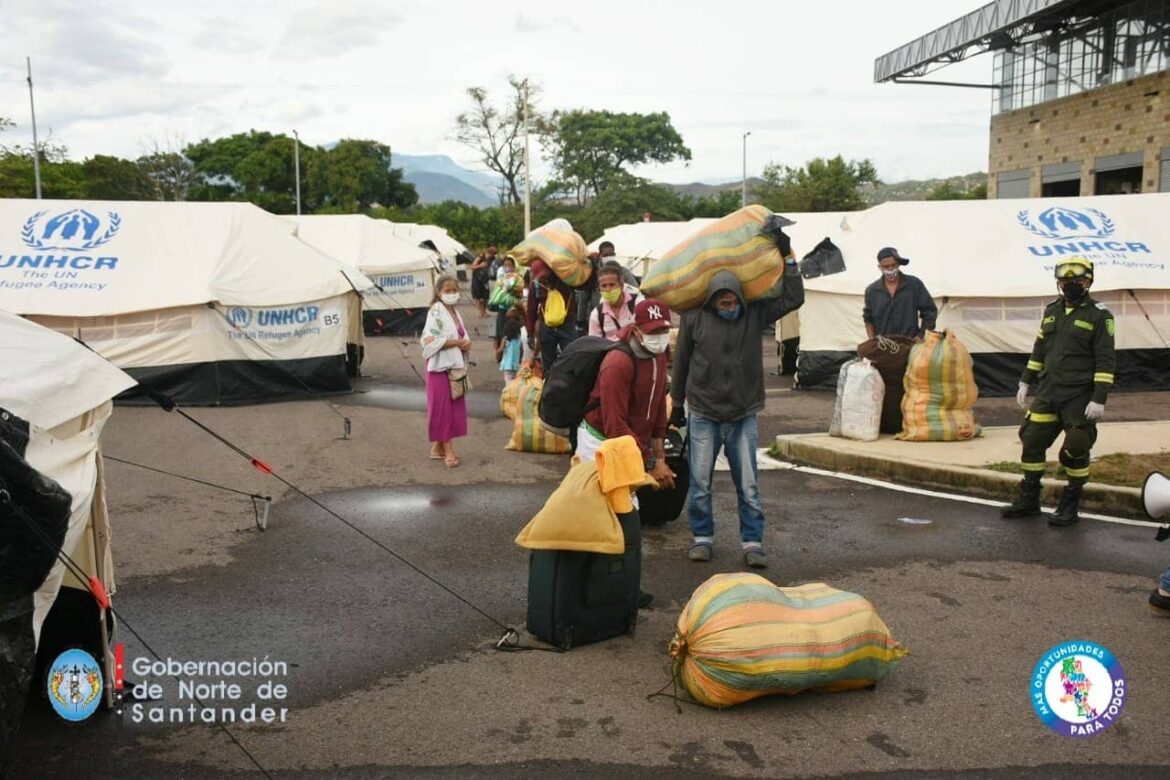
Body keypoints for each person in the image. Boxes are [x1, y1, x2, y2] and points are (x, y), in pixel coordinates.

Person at [670, 243, 805, 569]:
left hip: (743, 412)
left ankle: (753, 542)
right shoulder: (693, 319)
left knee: (748, 484)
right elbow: (682, 361)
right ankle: (702, 538)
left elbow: (793, 298)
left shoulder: (754, 314)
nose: (730, 307)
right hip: (703, 411)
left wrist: (788, 258)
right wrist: (676, 404)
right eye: (723, 303)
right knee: (700, 483)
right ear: (713, 301)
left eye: (733, 301)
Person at [577, 298, 676, 610]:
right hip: (601, 443)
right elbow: (614, 424)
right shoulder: (617, 363)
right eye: (653, 330)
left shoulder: (659, 355)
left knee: (624, 518)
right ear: (636, 329)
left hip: (632, 444)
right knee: (610, 517)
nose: (659, 335)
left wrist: (659, 453)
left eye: (664, 329)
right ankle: (597, 588)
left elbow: (659, 403)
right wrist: (650, 462)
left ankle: (623, 587)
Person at [1001, 257, 1115, 527]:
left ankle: (1071, 502)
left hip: (1079, 396)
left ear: (1088, 283)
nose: (1070, 286)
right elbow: (1040, 348)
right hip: (1048, 391)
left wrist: (1099, 398)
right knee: (1031, 439)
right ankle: (1029, 499)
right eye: (1066, 282)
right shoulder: (1051, 311)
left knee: (1076, 447)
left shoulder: (1100, 315)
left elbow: (1106, 360)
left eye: (1077, 281)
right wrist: (1026, 380)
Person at [420, 274, 471, 467]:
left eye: (454, 290)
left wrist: (465, 343)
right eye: (447, 291)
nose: (451, 294)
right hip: (438, 366)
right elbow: (429, 340)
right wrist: (456, 343)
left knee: (454, 406)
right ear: (438, 292)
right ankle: (449, 451)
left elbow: (463, 335)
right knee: (442, 408)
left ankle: (437, 448)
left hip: (454, 366)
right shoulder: (436, 312)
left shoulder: (455, 313)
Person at [863, 247, 937, 339]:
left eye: (893, 265)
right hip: (884, 345)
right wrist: (872, 339)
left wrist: (921, 335)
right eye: (886, 266)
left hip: (910, 342)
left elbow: (929, 311)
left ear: (898, 265)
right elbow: (868, 318)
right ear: (880, 267)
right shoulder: (872, 290)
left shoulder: (914, 284)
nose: (890, 269)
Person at [525, 259, 583, 373]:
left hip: (567, 325)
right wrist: (530, 333)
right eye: (541, 276)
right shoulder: (536, 285)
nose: (544, 278)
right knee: (548, 363)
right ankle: (549, 384)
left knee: (570, 358)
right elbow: (531, 310)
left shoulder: (566, 281)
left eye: (546, 275)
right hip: (546, 327)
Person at [587, 262, 643, 341]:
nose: (608, 289)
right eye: (604, 286)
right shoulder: (596, 315)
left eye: (612, 284)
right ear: (599, 288)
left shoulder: (638, 303)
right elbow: (594, 344)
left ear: (621, 285)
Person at [496, 304, 524, 384]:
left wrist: (498, 352)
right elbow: (521, 350)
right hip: (516, 364)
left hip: (508, 364)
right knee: (516, 382)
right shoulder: (519, 338)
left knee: (509, 382)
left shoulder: (506, 340)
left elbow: (500, 350)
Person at [469, 245, 498, 318]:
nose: (491, 256)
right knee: (478, 296)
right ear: (488, 252)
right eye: (490, 254)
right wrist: (480, 266)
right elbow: (472, 267)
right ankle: (481, 312)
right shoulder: (480, 257)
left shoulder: (493, 259)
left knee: (485, 296)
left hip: (485, 280)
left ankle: (484, 311)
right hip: (477, 279)